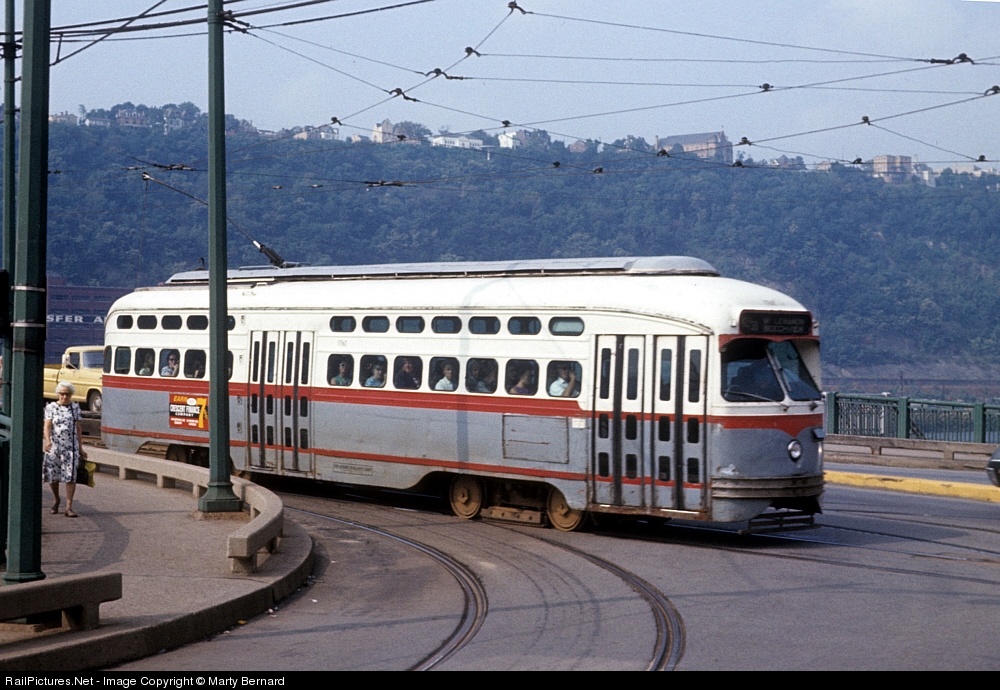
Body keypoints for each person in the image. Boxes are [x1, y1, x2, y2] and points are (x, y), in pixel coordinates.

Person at [43, 381, 88, 518]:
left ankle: (69, 507)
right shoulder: (51, 407)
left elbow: (78, 428)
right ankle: (56, 499)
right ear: (58, 394)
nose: (64, 396)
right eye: (62, 394)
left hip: (70, 447)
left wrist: (81, 448)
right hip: (55, 446)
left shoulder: (75, 408)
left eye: (67, 394)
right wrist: (47, 441)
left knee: (70, 476)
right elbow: (47, 426)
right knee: (53, 476)